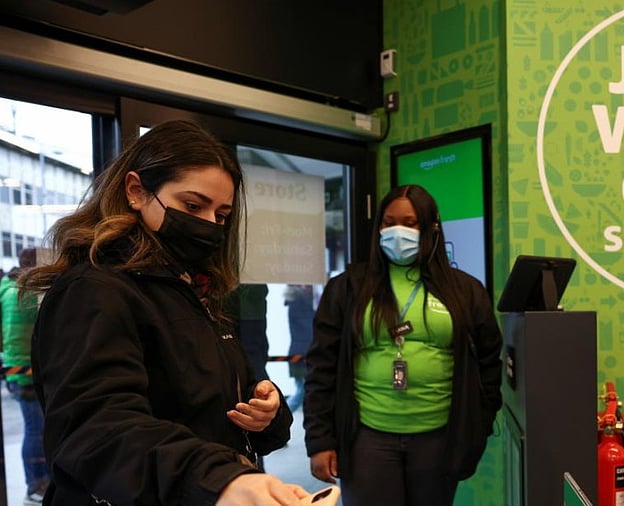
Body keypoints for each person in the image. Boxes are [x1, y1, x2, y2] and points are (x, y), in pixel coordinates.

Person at [18, 119, 309, 505]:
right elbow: (98, 428)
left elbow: (214, 401)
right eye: (193, 205)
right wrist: (218, 479)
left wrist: (268, 415)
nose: (208, 225)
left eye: (221, 215)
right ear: (136, 191)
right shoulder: (94, 289)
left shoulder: (198, 289)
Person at [303, 184, 503, 506]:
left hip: (439, 437)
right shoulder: (349, 287)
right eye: (389, 222)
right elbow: (321, 367)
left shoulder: (465, 290)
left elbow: (489, 364)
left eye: (410, 223)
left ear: (431, 227)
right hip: (366, 437)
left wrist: (476, 426)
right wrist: (319, 440)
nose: (398, 231)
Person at [1, 247, 50, 505]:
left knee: (34, 428)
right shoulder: (26, 294)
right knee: (35, 430)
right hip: (26, 371)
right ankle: (36, 484)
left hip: (15, 369)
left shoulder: (7, 291)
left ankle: (38, 482)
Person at [283, 284, 315, 412]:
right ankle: (282, 415)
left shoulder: (294, 301)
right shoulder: (301, 302)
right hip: (303, 353)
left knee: (302, 390)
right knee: (302, 391)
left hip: (298, 351)